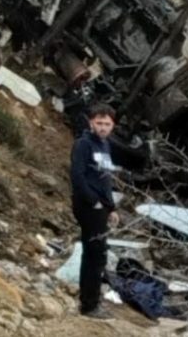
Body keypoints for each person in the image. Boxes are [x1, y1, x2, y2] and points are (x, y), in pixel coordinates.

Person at [70, 103, 122, 319]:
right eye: (99, 123)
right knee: (95, 254)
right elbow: (77, 177)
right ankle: (89, 305)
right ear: (91, 122)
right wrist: (95, 202)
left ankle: (90, 301)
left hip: (101, 207)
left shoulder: (105, 145)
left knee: (95, 254)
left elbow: (105, 180)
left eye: (107, 124)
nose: (102, 127)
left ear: (113, 125)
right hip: (88, 206)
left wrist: (111, 208)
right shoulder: (83, 145)